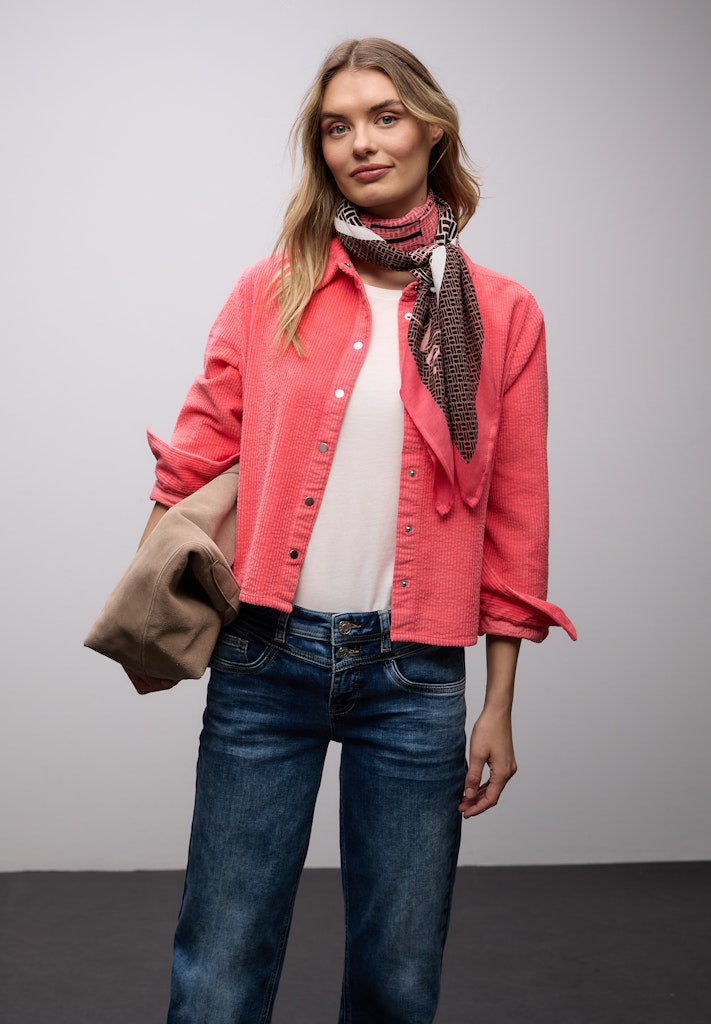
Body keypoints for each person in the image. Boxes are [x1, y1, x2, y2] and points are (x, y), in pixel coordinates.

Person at [132, 37, 576, 1024]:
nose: (360, 143)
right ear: (321, 151)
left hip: (414, 677)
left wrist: (498, 705)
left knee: (397, 977)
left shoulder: (504, 316)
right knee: (219, 964)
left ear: (432, 131)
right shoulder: (271, 289)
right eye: (337, 127)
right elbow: (198, 450)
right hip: (263, 657)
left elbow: (516, 520)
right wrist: (148, 597)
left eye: (384, 117)